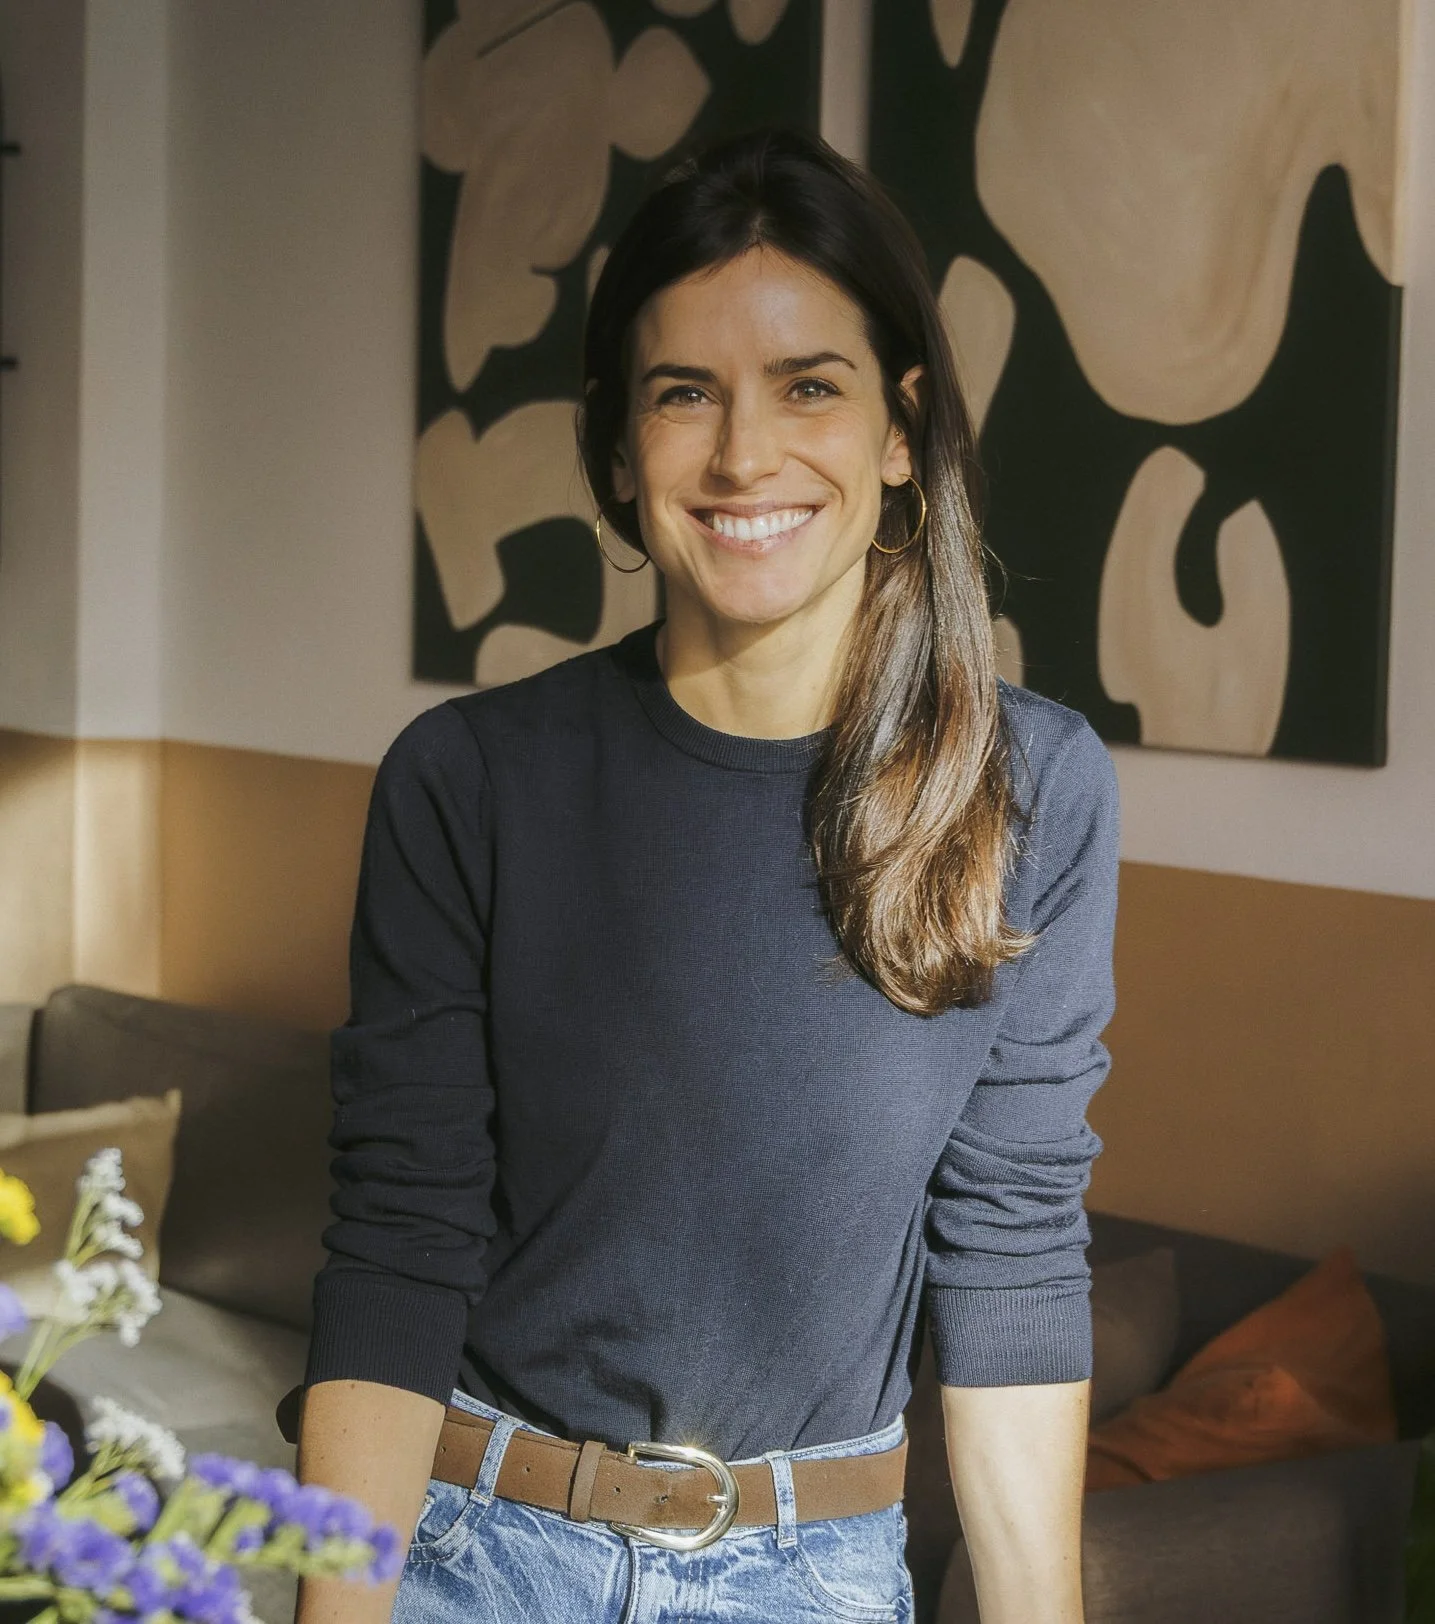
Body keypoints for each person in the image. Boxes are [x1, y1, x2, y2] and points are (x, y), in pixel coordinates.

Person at [292, 127, 1118, 1624]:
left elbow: (1009, 1254)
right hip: (477, 1557)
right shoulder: (469, 780)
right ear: (620, 446)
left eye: (809, 385)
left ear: (895, 427)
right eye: (686, 394)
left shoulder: (1031, 790)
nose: (745, 455)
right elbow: (399, 1238)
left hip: (816, 1572)